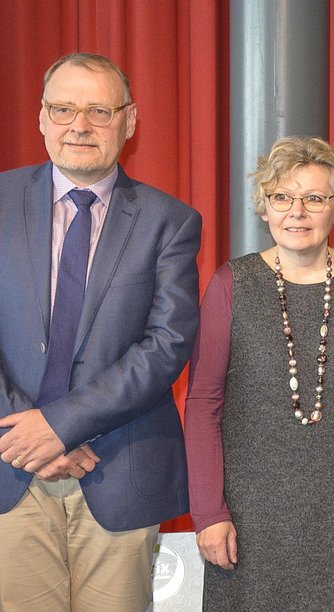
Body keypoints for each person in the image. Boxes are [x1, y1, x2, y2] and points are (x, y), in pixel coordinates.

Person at [183, 136, 334, 610]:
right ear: (265, 209)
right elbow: (203, 403)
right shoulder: (231, 285)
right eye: (282, 198)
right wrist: (208, 511)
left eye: (314, 198)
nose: (297, 212)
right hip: (251, 521)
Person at [0, 52, 201, 610]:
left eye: (99, 110)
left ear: (130, 120)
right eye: (63, 109)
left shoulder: (171, 221)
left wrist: (60, 427)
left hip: (118, 470)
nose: (79, 126)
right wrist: (29, 438)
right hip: (8, 466)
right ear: (41, 118)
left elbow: (167, 346)